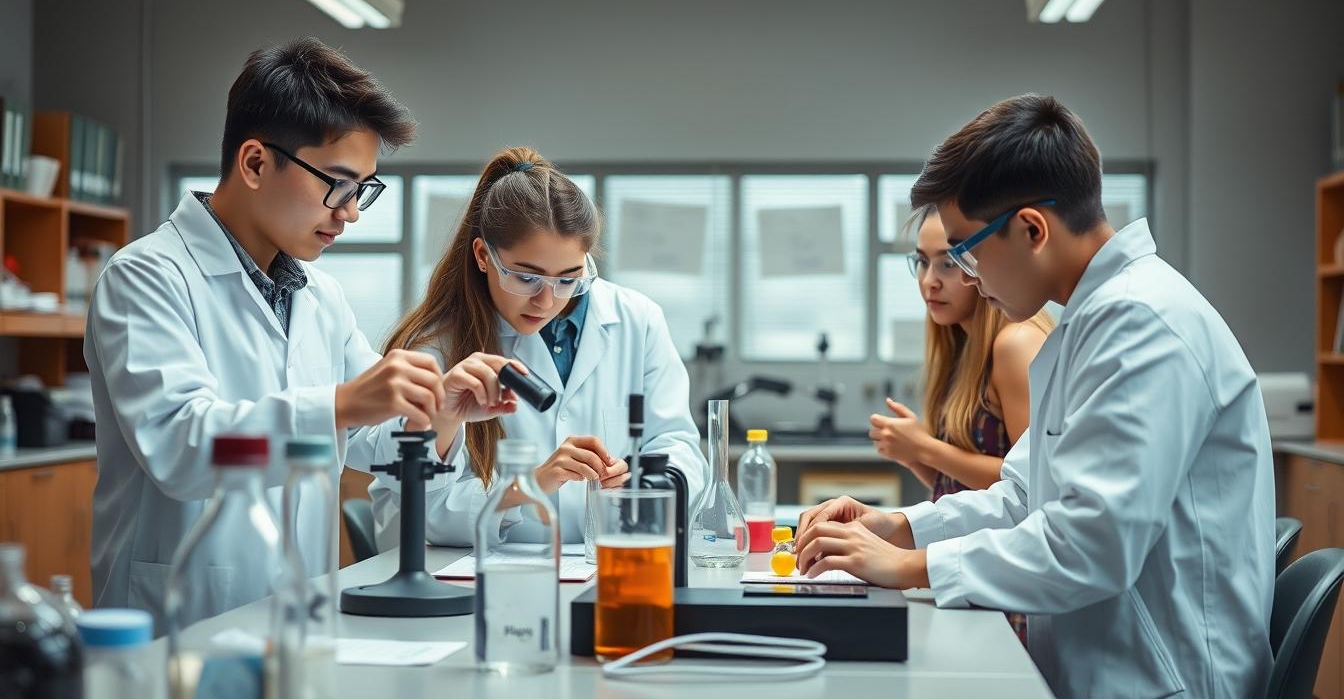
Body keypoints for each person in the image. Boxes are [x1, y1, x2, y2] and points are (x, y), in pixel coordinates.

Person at [796, 94, 1275, 697]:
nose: (962, 276)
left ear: (1030, 229)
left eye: (965, 251)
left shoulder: (1142, 322)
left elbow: (1092, 544)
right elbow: (1024, 497)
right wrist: (898, 527)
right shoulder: (1090, 322)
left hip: (1165, 682)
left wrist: (913, 568)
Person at [85, 38, 459, 630]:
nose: (351, 212)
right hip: (183, 618)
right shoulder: (147, 276)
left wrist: (443, 412)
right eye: (337, 183)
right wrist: (341, 402)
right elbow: (182, 449)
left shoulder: (320, 297)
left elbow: (375, 443)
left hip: (299, 613)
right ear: (256, 163)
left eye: (363, 188)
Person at [369, 147, 707, 548]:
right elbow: (409, 514)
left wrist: (646, 482)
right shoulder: (432, 348)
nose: (547, 301)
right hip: (494, 576)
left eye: (569, 278)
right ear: (483, 256)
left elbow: (676, 444)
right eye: (527, 278)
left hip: (612, 561)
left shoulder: (638, 320)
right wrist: (529, 487)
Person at [873, 208, 1050, 501]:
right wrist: (913, 455)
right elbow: (957, 489)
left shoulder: (1015, 343)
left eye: (948, 263)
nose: (929, 281)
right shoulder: (962, 346)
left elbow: (1033, 484)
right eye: (922, 261)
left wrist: (925, 448)